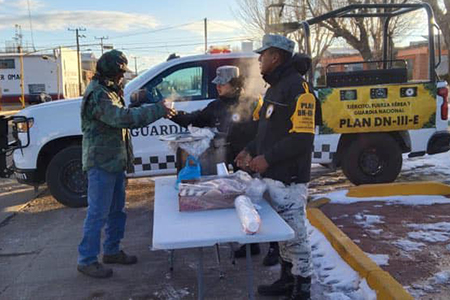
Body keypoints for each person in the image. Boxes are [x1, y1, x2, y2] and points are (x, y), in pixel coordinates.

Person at [77, 49, 176, 278]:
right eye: (120, 73)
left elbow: (123, 114)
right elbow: (122, 118)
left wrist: (149, 105)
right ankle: (87, 259)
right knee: (98, 213)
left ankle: (111, 250)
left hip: (114, 162)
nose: (122, 77)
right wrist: (158, 110)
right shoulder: (98, 94)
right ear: (111, 72)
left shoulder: (109, 90)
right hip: (101, 163)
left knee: (116, 211)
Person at [236, 34, 319, 299]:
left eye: (264, 54)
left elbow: (302, 138)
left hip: (290, 178)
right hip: (273, 177)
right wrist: (249, 149)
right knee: (283, 234)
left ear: (277, 57)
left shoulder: (299, 89)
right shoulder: (274, 89)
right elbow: (266, 133)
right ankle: (286, 279)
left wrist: (267, 158)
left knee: (296, 234)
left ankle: (302, 287)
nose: (259, 59)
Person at [171, 65, 261, 257]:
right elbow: (194, 119)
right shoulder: (216, 106)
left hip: (249, 161)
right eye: (217, 84)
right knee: (235, 200)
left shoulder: (253, 102)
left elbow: (264, 132)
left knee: (258, 202)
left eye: (222, 84)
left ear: (235, 85)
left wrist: (251, 153)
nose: (218, 87)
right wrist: (171, 114)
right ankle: (247, 242)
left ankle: (270, 247)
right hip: (225, 162)